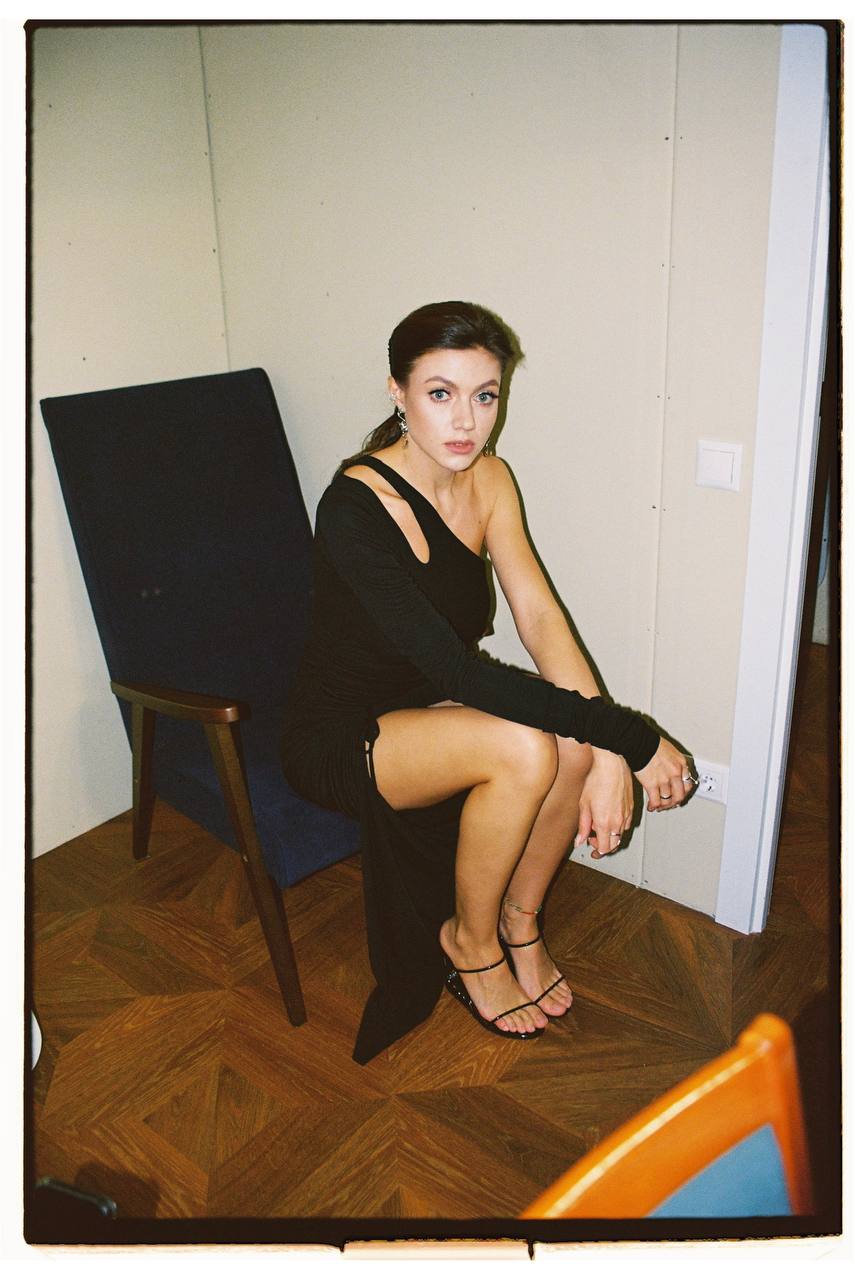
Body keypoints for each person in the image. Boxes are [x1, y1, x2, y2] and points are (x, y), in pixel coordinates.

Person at [280, 301, 695, 1064]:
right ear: (397, 392)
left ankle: (517, 923)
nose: (466, 420)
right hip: (342, 731)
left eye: (485, 394)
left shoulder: (491, 479)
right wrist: (631, 737)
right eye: (440, 393)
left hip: (430, 705)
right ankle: (467, 944)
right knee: (527, 749)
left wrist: (604, 748)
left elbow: (538, 617)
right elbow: (454, 669)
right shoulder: (352, 507)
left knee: (571, 747)